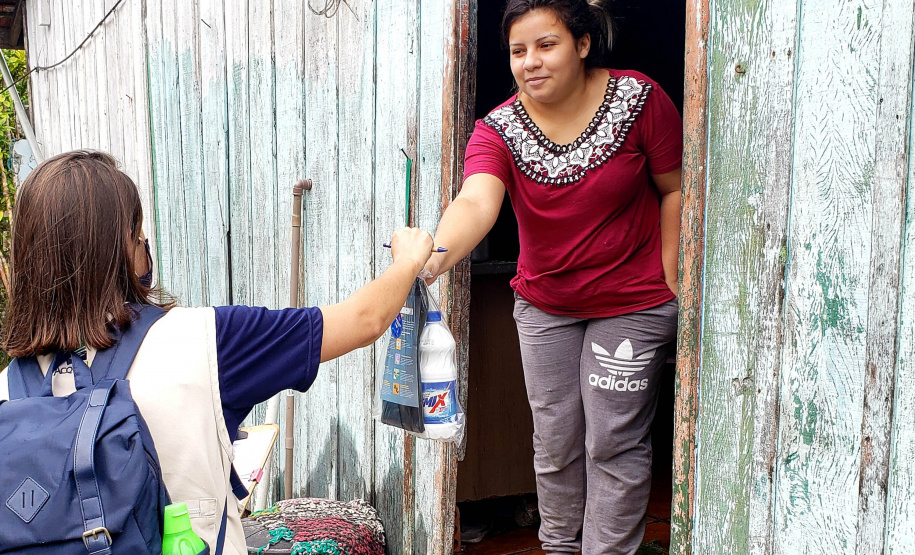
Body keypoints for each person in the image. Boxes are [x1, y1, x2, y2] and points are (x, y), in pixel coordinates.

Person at [0, 150, 434, 553]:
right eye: (138, 239)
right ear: (125, 251)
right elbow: (363, 320)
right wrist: (408, 259)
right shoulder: (205, 339)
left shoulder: (6, 393)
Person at [423, 1, 682, 553]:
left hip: (631, 301)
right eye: (519, 51)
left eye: (546, 45)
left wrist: (672, 280)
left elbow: (676, 188)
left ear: (582, 45)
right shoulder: (498, 129)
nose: (530, 63)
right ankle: (560, 548)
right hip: (545, 305)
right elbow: (476, 201)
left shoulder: (640, 101)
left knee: (613, 441)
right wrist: (433, 256)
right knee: (556, 442)